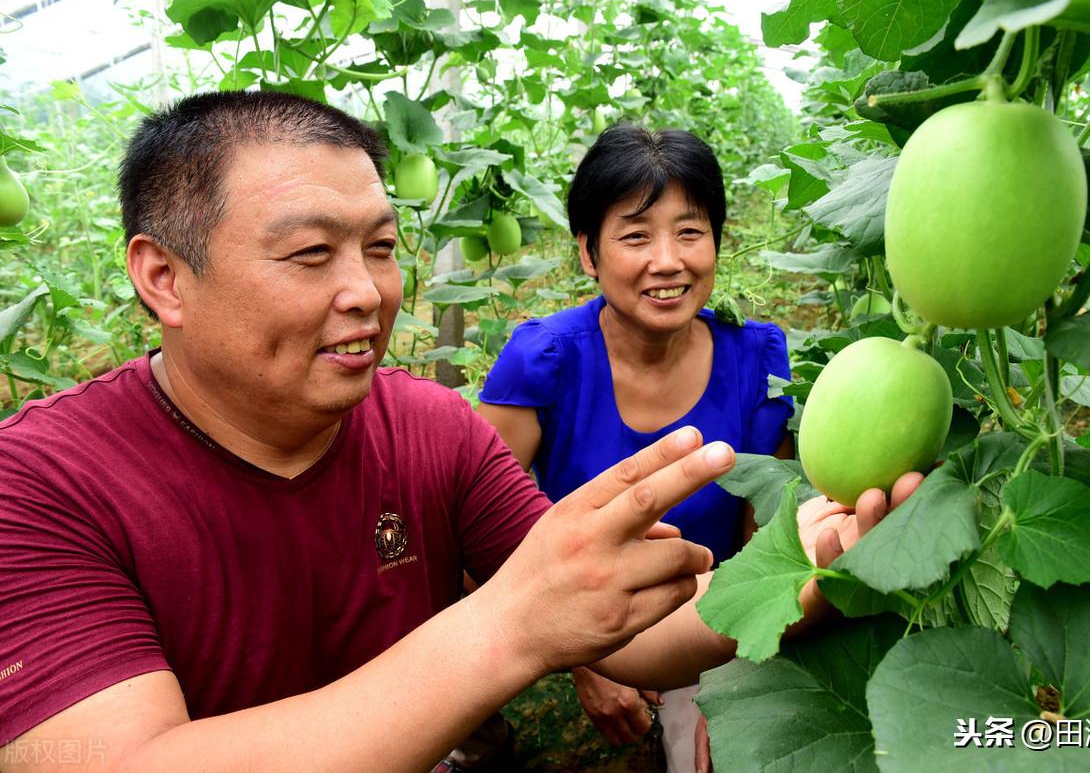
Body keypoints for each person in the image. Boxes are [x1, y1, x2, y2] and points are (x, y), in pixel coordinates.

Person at [0, 91, 921, 773]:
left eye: (382, 246)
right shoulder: (41, 482)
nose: (367, 289)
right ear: (163, 277)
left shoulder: (433, 430)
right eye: (312, 254)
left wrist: (802, 578)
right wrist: (508, 625)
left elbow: (630, 630)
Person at [476, 124, 791, 770]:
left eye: (690, 230)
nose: (668, 259)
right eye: (637, 234)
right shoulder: (544, 360)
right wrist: (585, 661)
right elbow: (482, 542)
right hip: (561, 637)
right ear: (589, 253)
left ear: (718, 241)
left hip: (706, 632)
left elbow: (769, 548)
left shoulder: (757, 357)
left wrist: (737, 685)